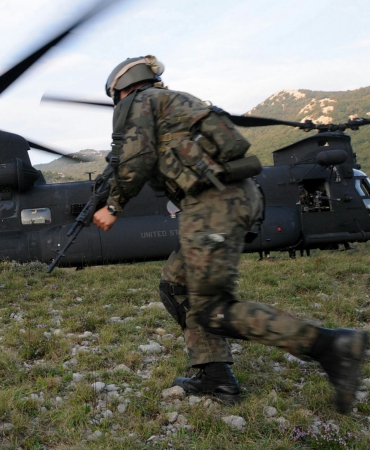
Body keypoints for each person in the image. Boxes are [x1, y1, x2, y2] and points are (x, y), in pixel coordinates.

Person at [92, 55, 367, 413]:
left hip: (211, 203)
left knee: (212, 309)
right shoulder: (175, 103)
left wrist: (113, 205)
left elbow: (135, 155)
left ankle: (329, 345)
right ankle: (215, 375)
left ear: (121, 89)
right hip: (230, 196)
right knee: (176, 283)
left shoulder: (141, 101)